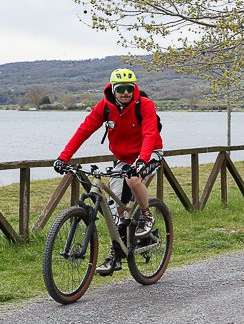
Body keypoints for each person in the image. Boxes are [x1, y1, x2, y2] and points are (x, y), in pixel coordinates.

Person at [53, 67, 163, 276]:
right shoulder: (104, 107)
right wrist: (63, 157)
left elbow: (150, 133)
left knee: (132, 180)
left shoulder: (144, 105)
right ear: (113, 89)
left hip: (150, 153)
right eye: (121, 88)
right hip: (123, 158)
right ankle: (116, 254)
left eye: (129, 88)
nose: (125, 93)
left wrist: (142, 161)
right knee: (115, 208)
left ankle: (146, 215)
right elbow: (84, 131)